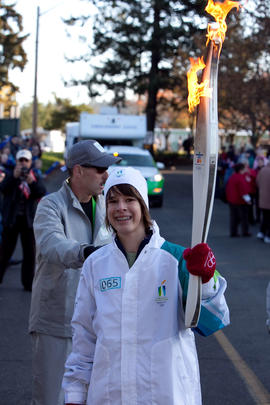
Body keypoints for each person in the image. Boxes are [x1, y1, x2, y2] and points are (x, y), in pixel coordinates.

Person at [62, 167, 230, 405]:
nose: (120, 207)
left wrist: (206, 279)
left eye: (129, 199)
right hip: (110, 396)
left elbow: (213, 320)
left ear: (143, 205)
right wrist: (75, 396)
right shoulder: (96, 265)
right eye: (113, 201)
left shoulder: (178, 259)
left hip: (167, 393)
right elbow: (84, 338)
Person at [29, 140, 121, 405]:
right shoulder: (50, 205)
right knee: (52, 398)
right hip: (57, 322)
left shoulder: (108, 205)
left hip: (99, 324)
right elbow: (51, 245)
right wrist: (86, 253)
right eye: (100, 168)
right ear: (78, 170)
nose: (106, 174)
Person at [0, 149, 46, 290]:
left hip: (28, 220)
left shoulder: (34, 176)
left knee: (30, 253)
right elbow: (3, 188)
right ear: (17, 161)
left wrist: (31, 182)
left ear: (30, 162)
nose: (23, 163)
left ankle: (28, 283)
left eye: (26, 160)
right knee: (4, 252)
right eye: (21, 160)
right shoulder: (9, 174)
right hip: (11, 220)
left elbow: (41, 192)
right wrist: (14, 177)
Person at [225, 163, 251, 237]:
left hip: (231, 200)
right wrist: (248, 200)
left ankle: (233, 232)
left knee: (234, 217)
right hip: (239, 201)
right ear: (241, 170)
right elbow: (243, 190)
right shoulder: (240, 178)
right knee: (243, 217)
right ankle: (245, 231)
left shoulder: (233, 177)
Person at [256, 160, 270, 243]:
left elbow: (257, 182)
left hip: (262, 199)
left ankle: (261, 232)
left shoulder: (263, 170)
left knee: (265, 217)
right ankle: (268, 236)